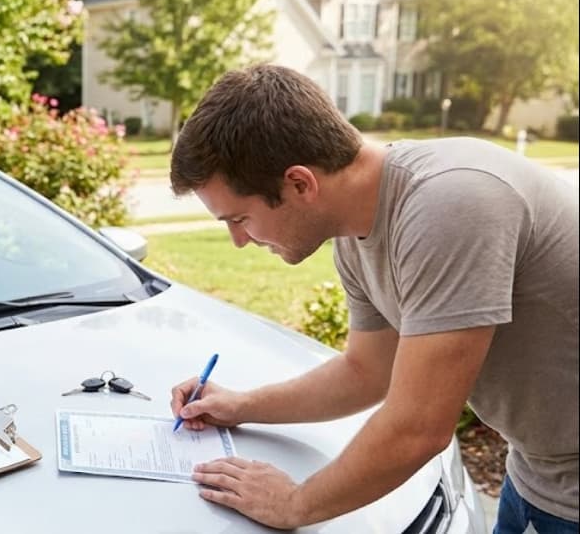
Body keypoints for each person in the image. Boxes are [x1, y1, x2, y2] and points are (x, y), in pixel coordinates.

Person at [167, 64, 578, 532]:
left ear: (300, 184)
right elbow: (367, 372)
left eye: (238, 219)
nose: (239, 241)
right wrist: (240, 406)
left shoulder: (450, 204)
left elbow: (418, 428)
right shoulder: (357, 232)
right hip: (536, 475)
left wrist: (294, 504)